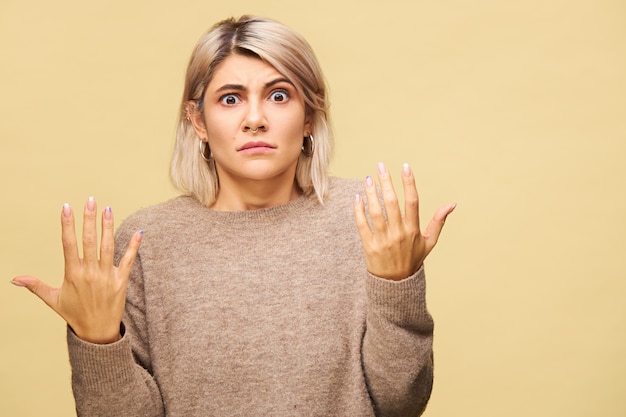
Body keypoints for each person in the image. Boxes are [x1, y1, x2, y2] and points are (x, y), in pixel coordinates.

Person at [11, 15, 455, 417]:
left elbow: (401, 403)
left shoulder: (366, 217)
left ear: (309, 115)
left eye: (279, 95)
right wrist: (97, 340)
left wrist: (397, 284)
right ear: (198, 121)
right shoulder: (148, 242)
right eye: (230, 99)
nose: (255, 119)